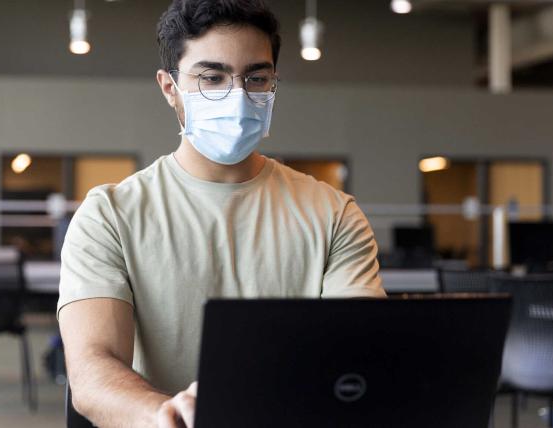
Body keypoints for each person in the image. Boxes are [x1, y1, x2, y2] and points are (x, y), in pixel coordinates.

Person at [57, 1, 385, 426]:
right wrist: (165, 414)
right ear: (169, 87)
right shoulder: (109, 216)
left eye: (256, 78)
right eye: (212, 77)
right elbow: (91, 371)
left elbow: (360, 357)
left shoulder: (334, 214)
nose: (238, 94)